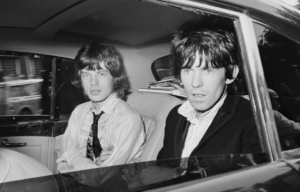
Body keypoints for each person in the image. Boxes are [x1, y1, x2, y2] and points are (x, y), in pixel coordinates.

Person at [123, 21, 262, 188]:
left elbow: (257, 181)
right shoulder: (176, 115)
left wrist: (177, 175)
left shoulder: (252, 119)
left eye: (208, 70)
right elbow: (164, 166)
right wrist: (142, 170)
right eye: (187, 70)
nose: (195, 83)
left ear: (231, 74)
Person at [56, 43, 145, 187]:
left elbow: (101, 178)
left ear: (115, 78)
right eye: (86, 75)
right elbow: (62, 166)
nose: (93, 83)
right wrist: (94, 163)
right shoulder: (79, 111)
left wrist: (73, 156)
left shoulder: (128, 118)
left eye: (101, 74)